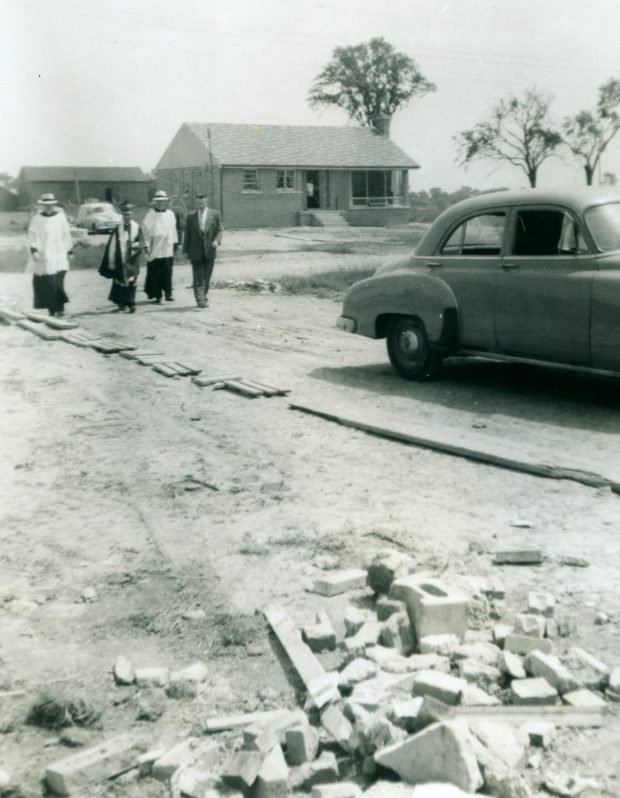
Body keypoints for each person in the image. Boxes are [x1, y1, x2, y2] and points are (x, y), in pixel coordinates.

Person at [26, 193, 73, 317]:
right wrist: (34, 250)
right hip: (44, 254)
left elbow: (66, 234)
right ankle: (52, 309)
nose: (48, 207)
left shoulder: (61, 217)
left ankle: (60, 308)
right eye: (45, 205)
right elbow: (32, 236)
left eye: (50, 205)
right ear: (41, 205)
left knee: (59, 281)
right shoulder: (37, 218)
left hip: (60, 253)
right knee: (48, 282)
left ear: (54, 205)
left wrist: (69, 250)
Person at [98, 201, 144, 313]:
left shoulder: (137, 227)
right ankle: (121, 304)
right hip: (121, 258)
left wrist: (136, 245)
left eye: (129, 214)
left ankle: (131, 304)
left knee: (131, 280)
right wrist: (111, 260)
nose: (127, 217)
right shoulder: (117, 229)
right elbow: (113, 245)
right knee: (120, 280)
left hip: (132, 259)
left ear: (132, 214)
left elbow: (142, 242)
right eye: (124, 215)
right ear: (122, 216)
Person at [182, 193, 223, 308]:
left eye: (203, 202)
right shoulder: (191, 216)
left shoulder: (215, 214)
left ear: (207, 202)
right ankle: (200, 299)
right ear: (197, 203)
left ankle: (203, 296)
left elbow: (220, 230)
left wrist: (217, 241)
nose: (201, 205)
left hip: (209, 250)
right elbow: (187, 235)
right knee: (198, 276)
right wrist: (185, 251)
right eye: (199, 203)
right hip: (195, 251)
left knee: (207, 276)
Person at [141, 190, 178, 303]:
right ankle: (158, 295)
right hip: (155, 247)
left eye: (163, 201)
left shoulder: (170, 214)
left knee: (167, 271)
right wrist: (146, 246)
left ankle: (168, 293)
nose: (161, 204)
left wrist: (175, 244)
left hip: (167, 247)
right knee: (155, 271)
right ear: (155, 203)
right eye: (158, 202)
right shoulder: (150, 215)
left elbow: (173, 230)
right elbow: (145, 232)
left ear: (166, 202)